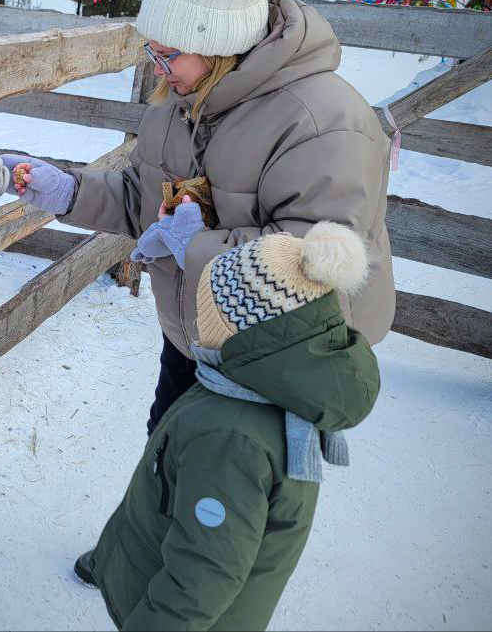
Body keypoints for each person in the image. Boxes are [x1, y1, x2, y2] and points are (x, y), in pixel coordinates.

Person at [0, 0, 394, 435]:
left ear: (217, 44)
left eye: (167, 55)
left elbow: (319, 259)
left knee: (227, 497)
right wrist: (67, 192)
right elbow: (145, 200)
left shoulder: (321, 120)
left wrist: (198, 248)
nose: (157, 68)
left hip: (278, 357)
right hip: (194, 339)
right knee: (165, 462)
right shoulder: (178, 100)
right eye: (153, 52)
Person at [83, 221, 381, 630]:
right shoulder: (250, 386)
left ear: (242, 333)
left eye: (206, 312)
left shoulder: (231, 439)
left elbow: (201, 577)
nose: (197, 322)